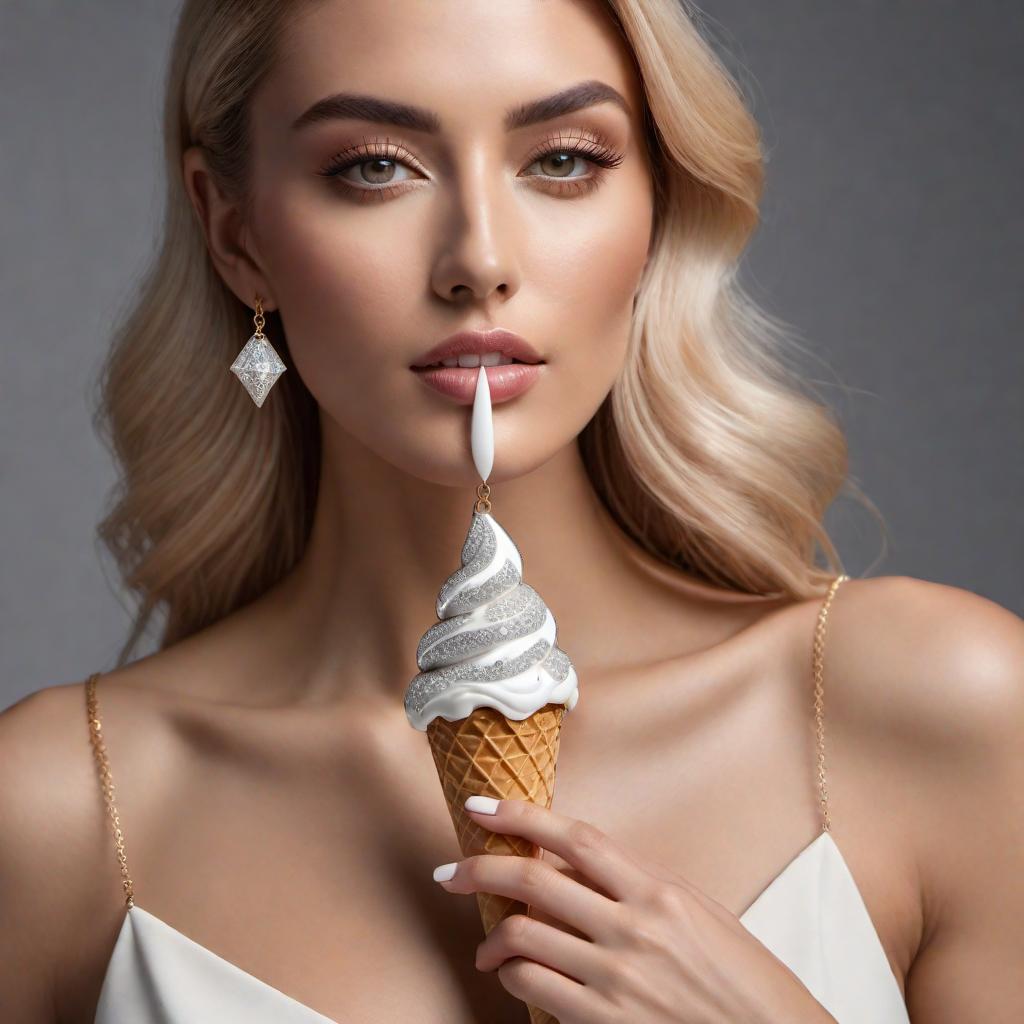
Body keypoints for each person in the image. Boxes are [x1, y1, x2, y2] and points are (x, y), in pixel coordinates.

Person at [2, 1, 1021, 1021]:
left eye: (565, 160)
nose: (479, 259)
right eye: (373, 166)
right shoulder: (58, 817)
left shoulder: (939, 714)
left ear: (655, 206)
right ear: (237, 232)